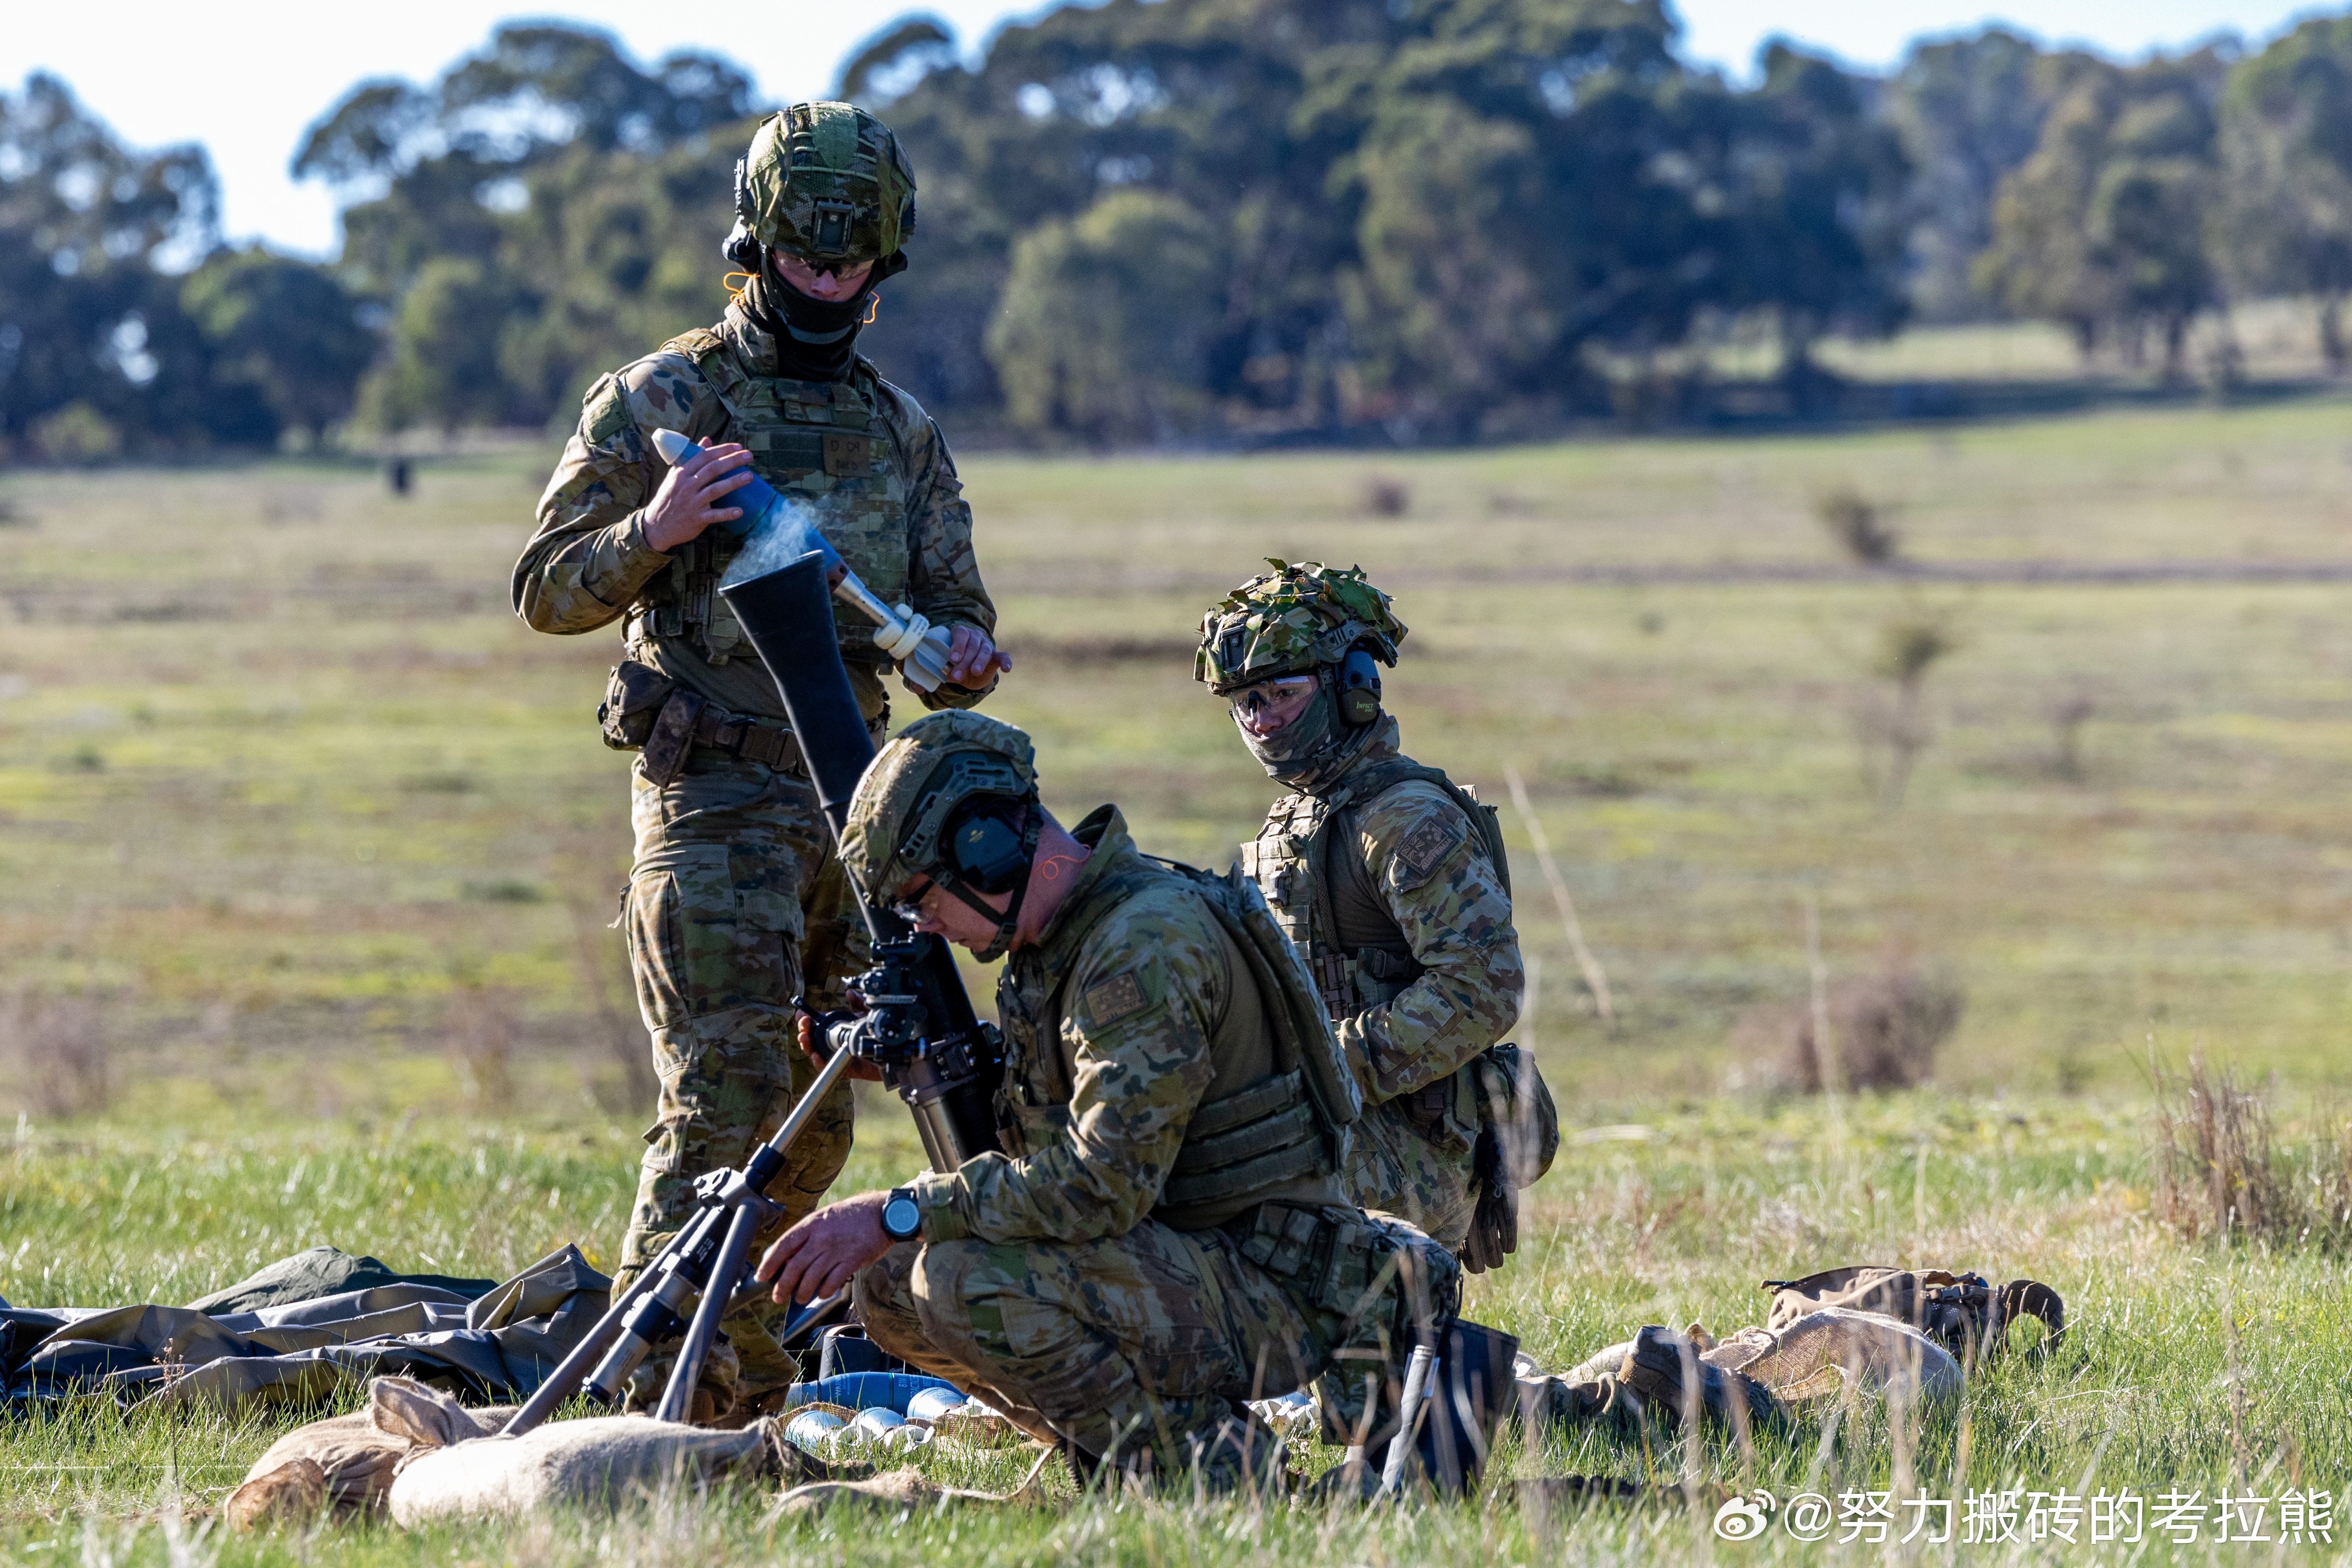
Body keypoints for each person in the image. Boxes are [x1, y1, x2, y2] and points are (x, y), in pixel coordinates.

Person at [513, 101, 1008, 1413]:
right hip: (712, 799)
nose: (825, 280)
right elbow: (547, 591)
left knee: (825, 1119)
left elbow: (957, 610)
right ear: (758, 241)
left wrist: (958, 655)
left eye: (850, 262)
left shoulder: (900, 432)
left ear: (883, 262)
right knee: (720, 1114)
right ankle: (646, 1411)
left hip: (857, 815)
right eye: (805, 255)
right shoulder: (662, 399)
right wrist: (657, 528)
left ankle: (734, 1381)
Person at [752, 711, 1442, 1490]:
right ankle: (1109, 1446)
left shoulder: (1139, 947)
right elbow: (1084, 1100)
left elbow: (1101, 1184)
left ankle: (1217, 1477)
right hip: (1197, 1254)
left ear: (987, 849)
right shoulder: (1070, 936)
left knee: (958, 1275)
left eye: (921, 899)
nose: (927, 926)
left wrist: (895, 1210)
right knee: (887, 1284)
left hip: (1278, 1281)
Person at [1195, 562, 1550, 1268]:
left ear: (1353, 688)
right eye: (1247, 703)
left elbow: (1484, 989)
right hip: (1332, 1130)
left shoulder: (1404, 819)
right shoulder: (1298, 818)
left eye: (1284, 694)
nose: (1263, 719)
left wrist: (1324, 1071)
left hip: (1401, 1156)